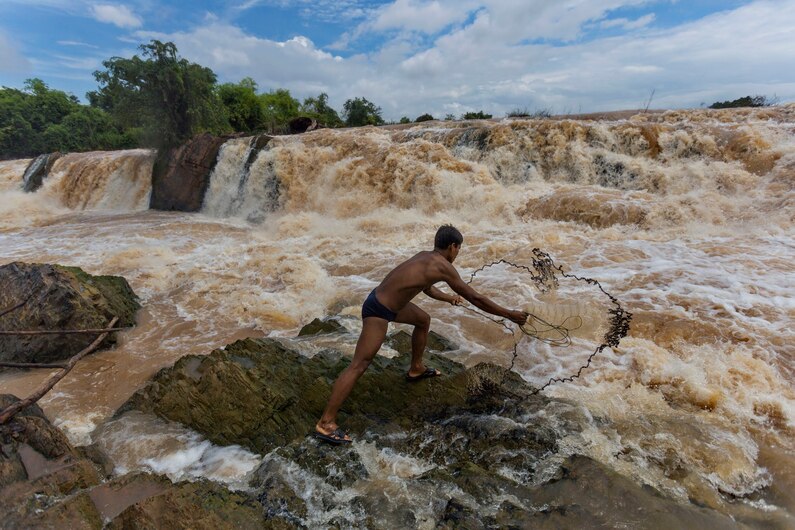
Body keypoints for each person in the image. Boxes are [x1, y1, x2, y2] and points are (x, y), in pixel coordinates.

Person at [314, 225, 529, 444]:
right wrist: (509, 314)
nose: (457, 254)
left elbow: (426, 288)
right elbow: (477, 298)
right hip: (378, 310)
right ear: (453, 246)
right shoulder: (443, 266)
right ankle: (326, 422)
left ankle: (416, 368)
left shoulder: (425, 258)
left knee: (423, 320)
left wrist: (448, 298)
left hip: (388, 303)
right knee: (359, 365)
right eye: (458, 249)